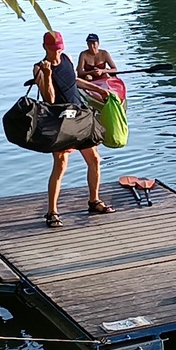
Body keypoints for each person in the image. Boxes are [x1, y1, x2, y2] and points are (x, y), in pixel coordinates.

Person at [33, 30, 113, 228]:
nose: (56, 54)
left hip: (79, 116)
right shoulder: (39, 68)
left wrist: (97, 89)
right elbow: (49, 98)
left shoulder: (67, 58)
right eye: (53, 50)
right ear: (45, 48)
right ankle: (52, 212)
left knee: (94, 159)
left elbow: (74, 81)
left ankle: (94, 201)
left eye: (59, 49)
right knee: (60, 165)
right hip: (59, 121)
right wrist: (47, 74)